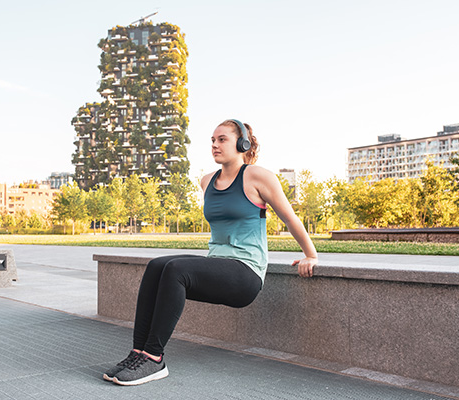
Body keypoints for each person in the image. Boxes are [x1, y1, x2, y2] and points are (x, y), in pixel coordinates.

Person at [103, 119, 318, 386]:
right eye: (212, 140)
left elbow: (290, 218)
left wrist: (311, 254)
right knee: (157, 265)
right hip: (219, 266)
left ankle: (154, 358)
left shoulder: (258, 176)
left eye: (222, 139)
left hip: (245, 273)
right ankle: (138, 353)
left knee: (176, 269)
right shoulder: (207, 181)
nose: (215, 145)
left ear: (242, 144)